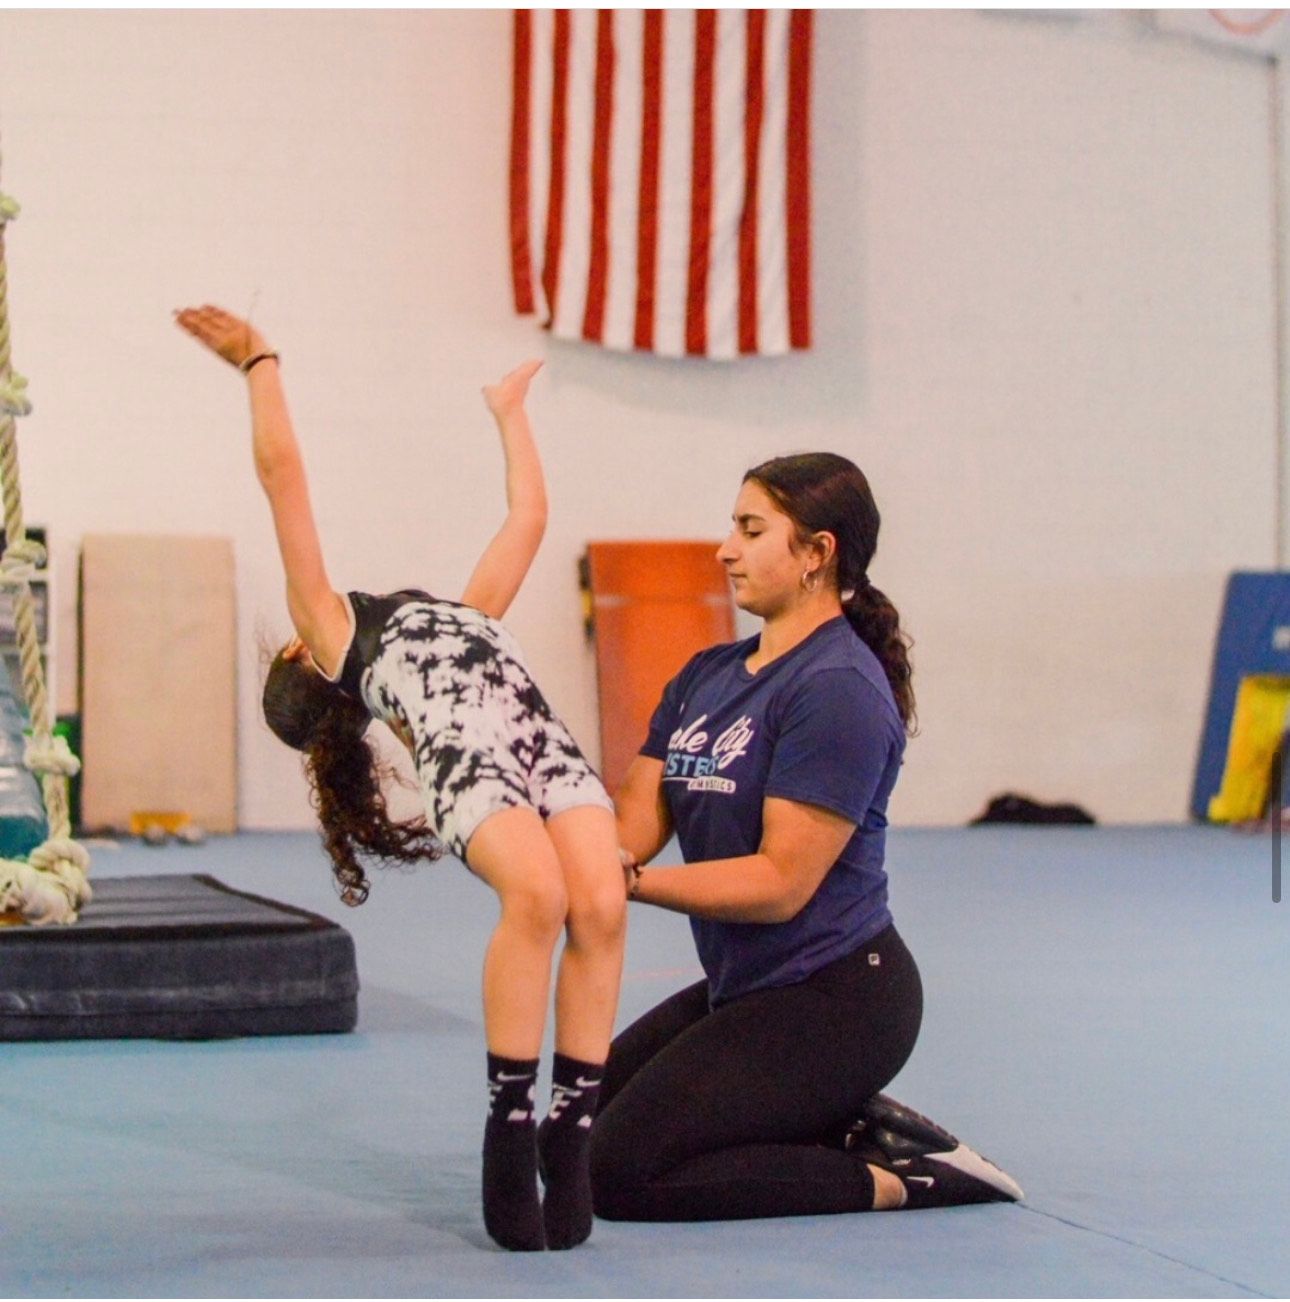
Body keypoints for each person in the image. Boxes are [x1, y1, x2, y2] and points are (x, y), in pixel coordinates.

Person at [175, 305, 625, 1253]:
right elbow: (282, 480)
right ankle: (510, 1128)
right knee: (539, 896)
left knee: (604, 902)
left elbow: (528, 517)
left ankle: (571, 1127)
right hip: (474, 769)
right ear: (308, 654)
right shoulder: (346, 638)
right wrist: (259, 360)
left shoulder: (465, 615)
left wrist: (508, 413)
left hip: (548, 746)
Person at [593, 452, 1022, 1222]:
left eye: (752, 529)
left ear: (818, 553)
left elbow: (778, 884)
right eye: (732, 526)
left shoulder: (837, 691)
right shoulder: (707, 674)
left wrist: (623, 883)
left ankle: (903, 1178)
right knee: (566, 1136)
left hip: (837, 1000)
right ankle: (835, 1119)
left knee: (618, 1175)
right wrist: (576, 839)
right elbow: (636, 821)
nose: (726, 549)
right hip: (748, 989)